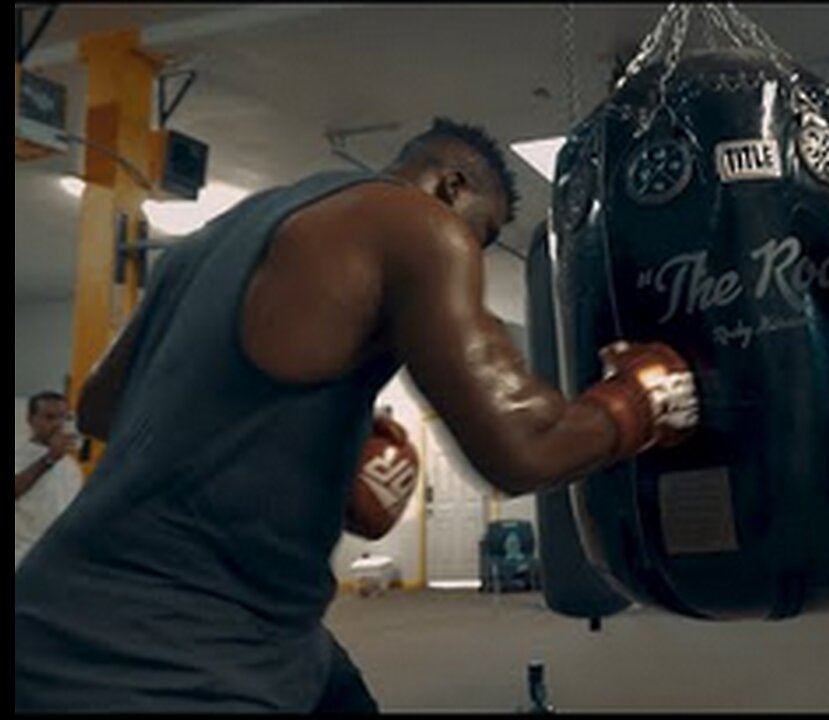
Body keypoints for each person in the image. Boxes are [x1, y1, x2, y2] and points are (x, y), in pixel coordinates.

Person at [15, 117, 698, 712]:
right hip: (165, 660)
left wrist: (322, 448)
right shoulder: (418, 223)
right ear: (451, 187)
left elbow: (99, 408)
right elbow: (523, 445)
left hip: (83, 611)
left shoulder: (216, 236)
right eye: (480, 236)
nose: (470, 255)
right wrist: (639, 402)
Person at [15, 391, 82, 570]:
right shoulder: (18, 453)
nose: (58, 424)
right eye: (50, 417)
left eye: (64, 418)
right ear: (31, 420)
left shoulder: (70, 466)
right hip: (22, 555)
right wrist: (49, 459)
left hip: (58, 556)